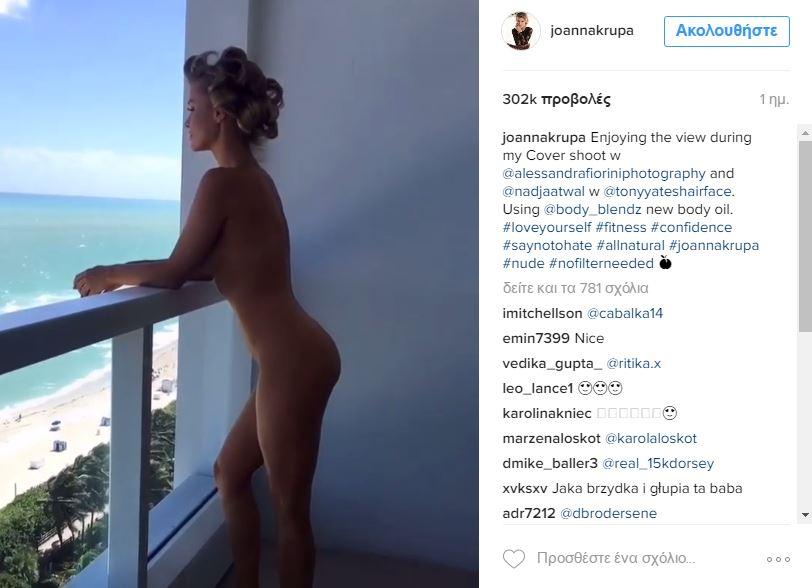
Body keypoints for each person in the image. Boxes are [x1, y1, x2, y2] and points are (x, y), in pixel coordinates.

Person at [72, 46, 342, 588]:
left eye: (191, 108)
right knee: (228, 474)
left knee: (291, 511)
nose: (186, 121)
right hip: (296, 354)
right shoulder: (254, 181)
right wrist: (135, 272)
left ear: (218, 113)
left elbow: (175, 271)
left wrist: (108, 273)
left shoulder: (221, 184)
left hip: (292, 362)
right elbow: (207, 264)